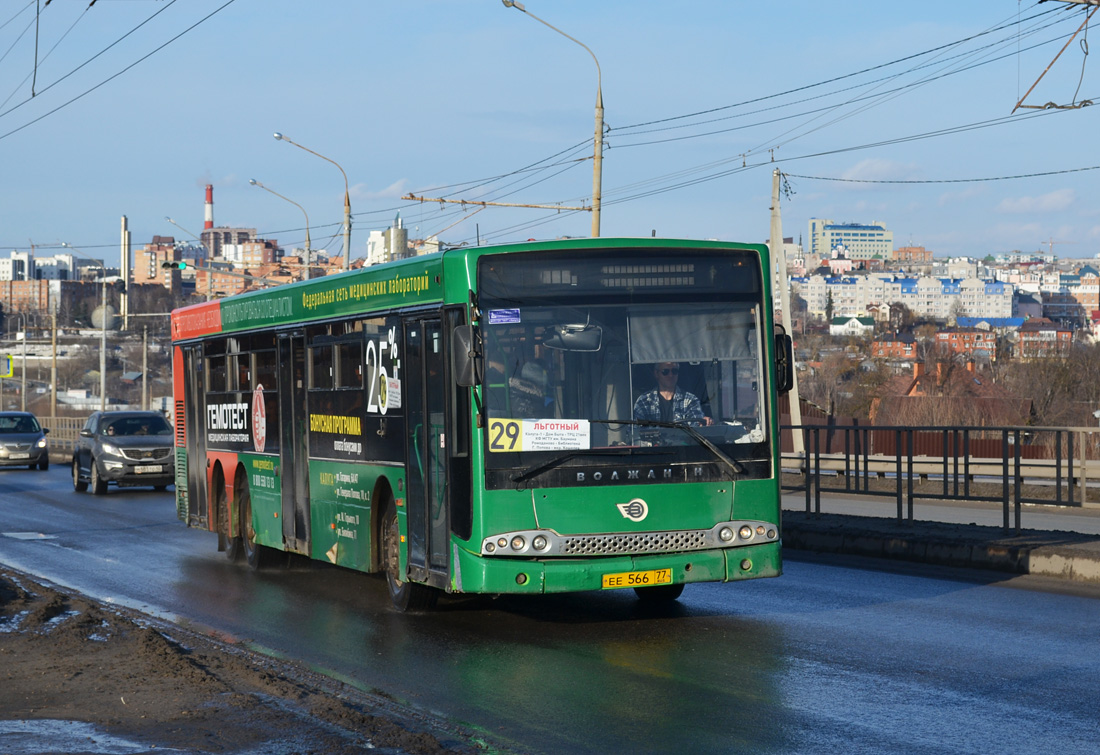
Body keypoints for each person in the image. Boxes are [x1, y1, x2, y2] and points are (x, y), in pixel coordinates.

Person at [633, 362, 712, 434]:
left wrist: (702, 423)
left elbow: (696, 428)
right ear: (656, 374)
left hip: (682, 448)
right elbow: (635, 432)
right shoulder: (644, 401)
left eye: (674, 371)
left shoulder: (690, 400)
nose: (670, 375)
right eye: (665, 372)